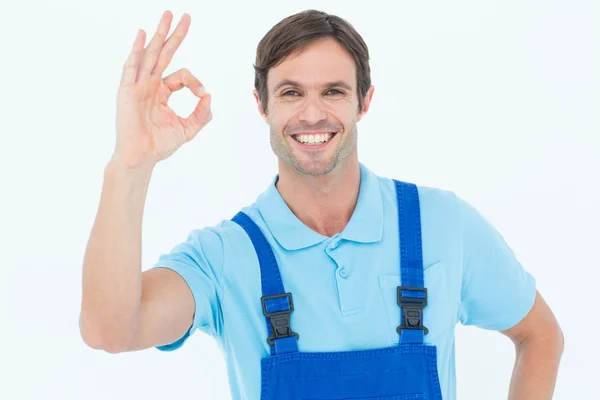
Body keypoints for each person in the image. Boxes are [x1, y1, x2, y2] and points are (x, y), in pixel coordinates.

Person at [79, 9, 564, 400]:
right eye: (291, 93)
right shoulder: (223, 255)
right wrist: (130, 165)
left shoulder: (442, 223)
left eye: (333, 91)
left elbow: (540, 335)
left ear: (364, 101)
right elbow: (110, 330)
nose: (313, 114)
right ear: (262, 105)